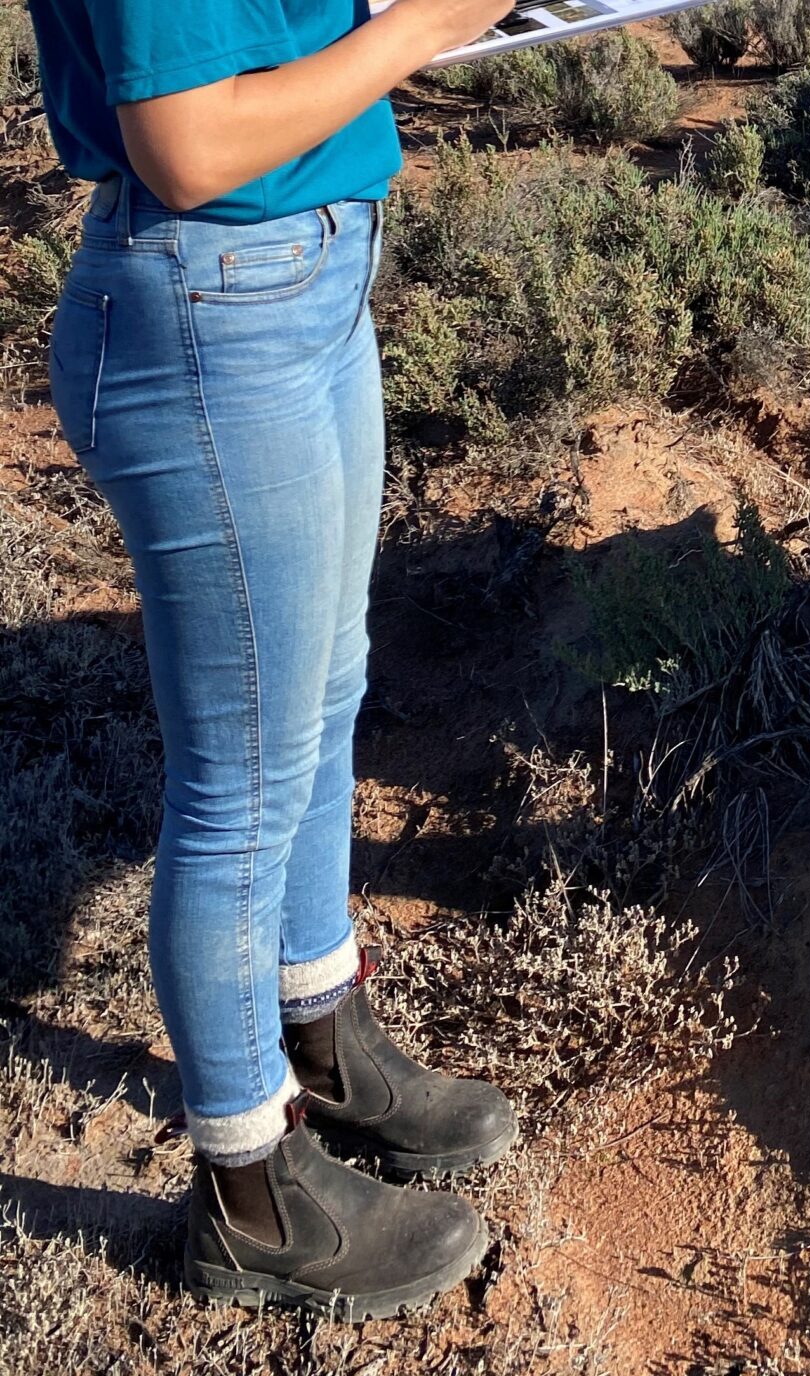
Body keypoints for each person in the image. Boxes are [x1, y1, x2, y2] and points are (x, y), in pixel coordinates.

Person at [27, 0, 522, 1320]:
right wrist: (429, 25)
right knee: (241, 782)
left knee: (324, 694)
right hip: (211, 305)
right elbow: (188, 143)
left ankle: (321, 1034)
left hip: (300, 277)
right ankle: (251, 1196)